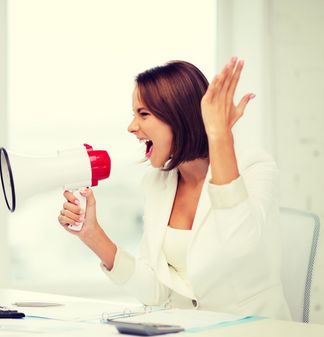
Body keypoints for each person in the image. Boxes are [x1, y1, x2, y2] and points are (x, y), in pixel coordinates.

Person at [57, 57, 291, 320]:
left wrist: (219, 135)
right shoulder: (158, 183)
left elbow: (241, 244)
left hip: (253, 336)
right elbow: (156, 293)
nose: (132, 127)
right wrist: (92, 234)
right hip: (189, 335)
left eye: (143, 114)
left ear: (179, 117)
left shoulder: (254, 167)